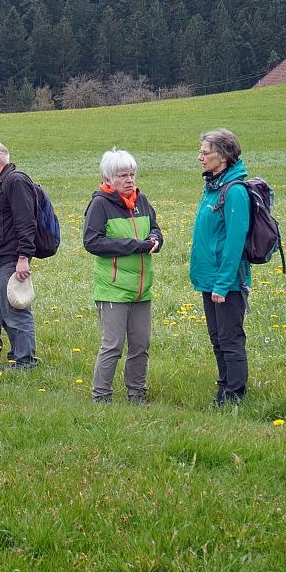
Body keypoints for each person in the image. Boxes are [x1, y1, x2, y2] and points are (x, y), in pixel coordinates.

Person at [83, 149, 163, 404]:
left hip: (142, 288)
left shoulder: (142, 200)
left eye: (132, 174)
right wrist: (136, 246)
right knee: (113, 346)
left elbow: (155, 228)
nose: (129, 180)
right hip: (113, 290)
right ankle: (101, 396)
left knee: (140, 345)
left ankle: (137, 394)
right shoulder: (100, 204)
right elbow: (92, 242)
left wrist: (156, 239)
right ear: (108, 179)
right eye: (122, 175)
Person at [190, 128, 252, 406]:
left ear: (223, 156)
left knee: (230, 338)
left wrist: (223, 284)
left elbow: (235, 243)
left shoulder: (234, 191)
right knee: (217, 338)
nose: (200, 157)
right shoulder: (213, 186)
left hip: (226, 281)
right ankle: (224, 388)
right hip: (209, 278)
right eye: (200, 152)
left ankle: (235, 395)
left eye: (205, 152)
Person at [0, 141, 39, 369]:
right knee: (5, 313)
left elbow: (26, 221)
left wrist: (23, 257)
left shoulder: (15, 181)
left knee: (16, 310)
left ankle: (25, 361)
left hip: (10, 258)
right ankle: (18, 356)